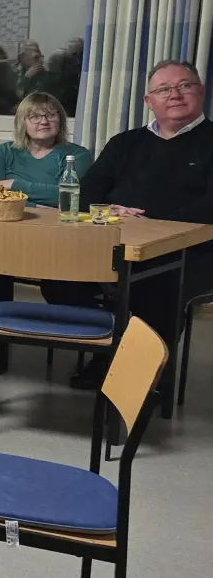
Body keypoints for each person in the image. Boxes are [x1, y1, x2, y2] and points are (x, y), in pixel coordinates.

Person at [78, 58, 213, 387]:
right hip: (117, 243)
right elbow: (87, 193)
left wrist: (150, 220)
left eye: (185, 86)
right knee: (61, 276)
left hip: (192, 250)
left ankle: (144, 379)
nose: (175, 94)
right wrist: (109, 209)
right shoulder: (125, 142)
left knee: (158, 283)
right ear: (148, 101)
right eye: (164, 89)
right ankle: (109, 350)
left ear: (202, 91)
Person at [0, 93, 92, 207]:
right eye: (34, 116)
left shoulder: (78, 155)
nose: (44, 122)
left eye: (51, 115)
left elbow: (69, 198)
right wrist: (40, 204)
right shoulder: (2, 152)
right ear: (22, 123)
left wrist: (13, 185)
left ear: (61, 120)